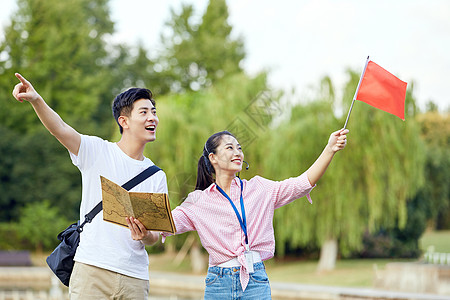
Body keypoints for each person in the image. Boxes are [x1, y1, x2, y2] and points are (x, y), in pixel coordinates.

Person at [12, 73, 167, 299]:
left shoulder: (156, 175)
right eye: (144, 112)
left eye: (154, 112)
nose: (152, 117)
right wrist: (36, 99)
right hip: (92, 269)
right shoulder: (97, 151)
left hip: (135, 276)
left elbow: (154, 237)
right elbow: (60, 128)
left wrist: (144, 235)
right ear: (123, 121)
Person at [162, 128, 348, 299]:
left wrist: (329, 149)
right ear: (213, 158)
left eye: (239, 148)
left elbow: (300, 184)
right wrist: (142, 230)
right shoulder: (198, 201)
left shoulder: (260, 189)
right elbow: (165, 223)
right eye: (230, 148)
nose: (238, 153)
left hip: (255, 280)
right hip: (218, 283)